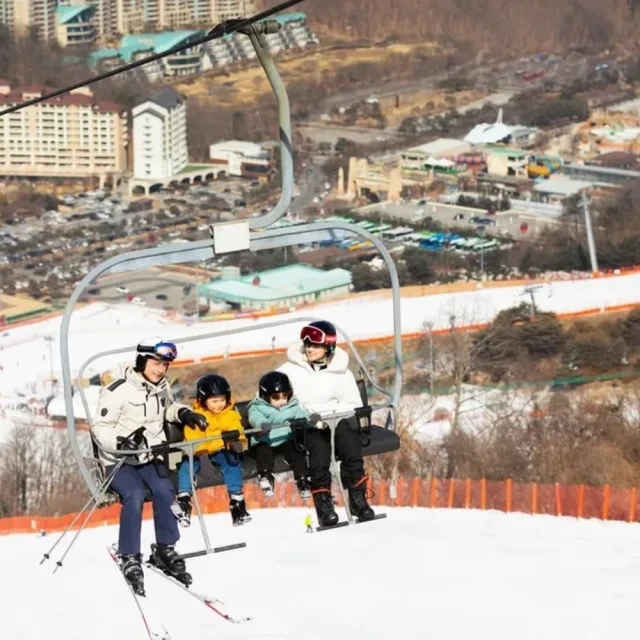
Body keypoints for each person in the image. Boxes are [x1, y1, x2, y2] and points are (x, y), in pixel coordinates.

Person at [92, 337, 207, 593]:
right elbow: (100, 427)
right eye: (155, 363)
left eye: (164, 365)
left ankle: (165, 549)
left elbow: (166, 409)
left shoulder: (161, 387)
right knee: (133, 495)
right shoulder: (117, 389)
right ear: (142, 360)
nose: (160, 369)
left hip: (148, 457)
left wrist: (184, 413)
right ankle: (130, 556)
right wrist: (122, 442)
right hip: (120, 460)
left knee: (165, 491)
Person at [277, 320, 375, 528]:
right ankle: (324, 507)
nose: (310, 349)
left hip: (336, 420)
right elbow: (269, 396)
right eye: (308, 344)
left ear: (328, 347)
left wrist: (331, 413)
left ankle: (358, 500)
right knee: (319, 453)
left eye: (316, 345)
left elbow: (353, 403)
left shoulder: (341, 371)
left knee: (350, 446)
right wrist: (306, 414)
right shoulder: (289, 370)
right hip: (306, 425)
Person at [175, 374, 251, 527]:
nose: (219, 405)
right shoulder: (197, 417)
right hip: (199, 454)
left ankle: (237, 505)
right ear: (204, 400)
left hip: (221, 450)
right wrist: (202, 456)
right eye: (214, 401)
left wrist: (236, 443)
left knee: (232, 465)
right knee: (185, 468)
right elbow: (193, 437)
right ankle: (184, 501)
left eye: (222, 400)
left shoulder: (230, 414)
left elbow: (236, 430)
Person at [247, 370, 316, 499]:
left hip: (285, 438)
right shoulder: (258, 406)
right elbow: (254, 417)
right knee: (263, 454)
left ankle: (302, 479)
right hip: (266, 439)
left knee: (297, 453)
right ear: (265, 396)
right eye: (276, 397)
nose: (282, 401)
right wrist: (262, 424)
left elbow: (302, 415)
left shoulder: (292, 406)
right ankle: (265, 476)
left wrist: (311, 419)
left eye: (285, 396)